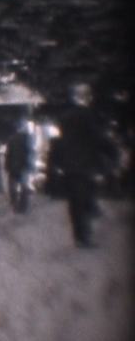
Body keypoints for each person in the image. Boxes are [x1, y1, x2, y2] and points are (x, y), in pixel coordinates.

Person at [49, 82, 117, 248]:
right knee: (86, 196)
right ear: (88, 97)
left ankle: (79, 235)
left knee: (75, 201)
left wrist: (57, 162)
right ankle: (85, 235)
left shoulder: (64, 117)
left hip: (69, 165)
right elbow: (97, 137)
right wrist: (112, 152)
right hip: (86, 164)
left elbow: (60, 141)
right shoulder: (88, 115)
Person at [5, 114, 36, 213]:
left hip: (13, 165)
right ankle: (23, 207)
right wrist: (31, 165)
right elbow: (30, 152)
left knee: (13, 187)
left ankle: (14, 205)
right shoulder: (28, 138)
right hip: (24, 165)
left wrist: (7, 165)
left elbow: (8, 154)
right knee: (24, 187)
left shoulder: (11, 139)